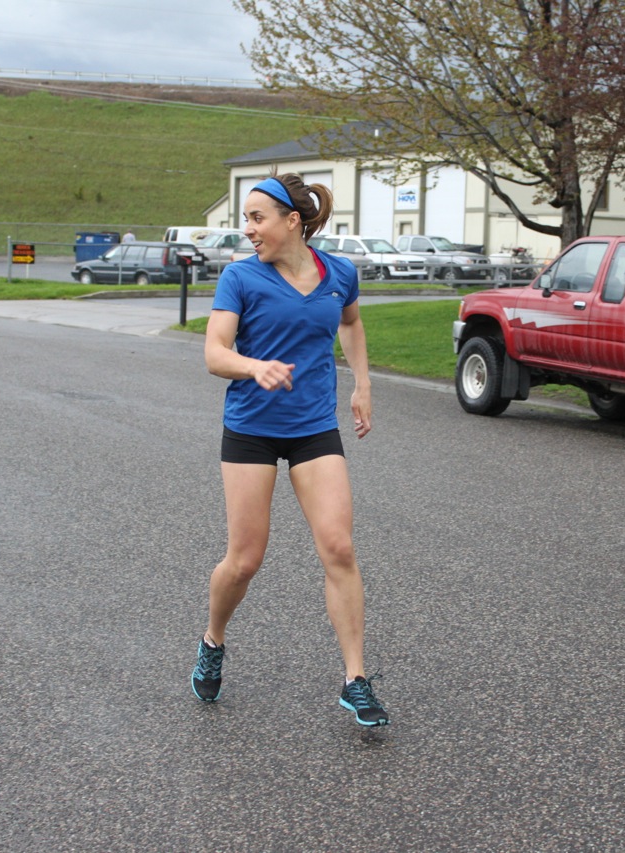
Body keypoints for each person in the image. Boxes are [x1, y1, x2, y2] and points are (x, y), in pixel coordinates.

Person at [190, 172, 389, 725]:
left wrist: (362, 383)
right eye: (247, 220)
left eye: (257, 218)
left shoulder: (339, 273)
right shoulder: (240, 277)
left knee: (339, 548)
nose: (248, 229)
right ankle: (213, 639)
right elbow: (214, 352)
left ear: (292, 220)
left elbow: (351, 322)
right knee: (244, 560)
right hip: (252, 426)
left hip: (313, 426)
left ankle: (355, 679)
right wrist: (255, 367)